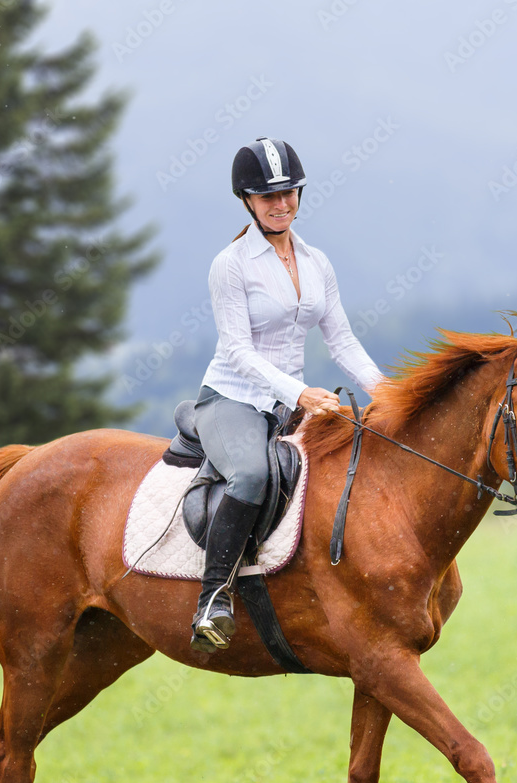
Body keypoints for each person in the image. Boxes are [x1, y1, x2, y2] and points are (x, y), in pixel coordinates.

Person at [190, 136, 384, 653]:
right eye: (267, 196)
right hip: (232, 398)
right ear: (247, 201)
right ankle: (213, 598)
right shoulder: (230, 264)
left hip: (289, 401)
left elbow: (340, 338)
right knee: (251, 473)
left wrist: (385, 389)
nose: (281, 204)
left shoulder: (317, 261)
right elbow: (237, 352)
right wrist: (300, 392)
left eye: (289, 193)